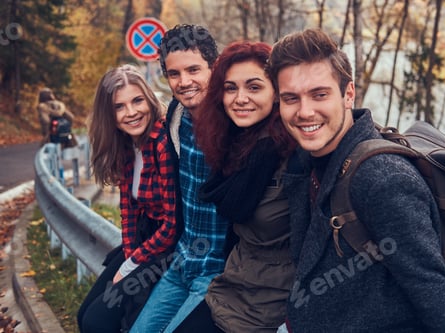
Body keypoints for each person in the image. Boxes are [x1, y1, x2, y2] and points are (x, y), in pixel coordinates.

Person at [266, 28, 445, 332]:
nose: (304, 112)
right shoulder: (308, 160)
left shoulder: (382, 180)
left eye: (319, 94)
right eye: (291, 98)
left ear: (348, 94)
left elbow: (436, 292)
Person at [173, 40, 297, 333]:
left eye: (254, 87)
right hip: (232, 289)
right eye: (231, 88)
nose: (240, 98)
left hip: (272, 306)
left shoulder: (293, 154)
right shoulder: (236, 144)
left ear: (277, 92)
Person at [130, 24, 230, 333]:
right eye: (174, 74)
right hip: (183, 261)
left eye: (194, 70)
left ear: (214, 68)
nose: (184, 82)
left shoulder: (236, 121)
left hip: (219, 273)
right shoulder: (176, 118)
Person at [77, 64, 179, 333]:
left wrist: (133, 263)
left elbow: (172, 224)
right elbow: (129, 211)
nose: (131, 113)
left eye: (137, 101)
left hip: (167, 249)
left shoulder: (162, 143)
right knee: (85, 314)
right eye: (119, 107)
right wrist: (129, 254)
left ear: (149, 99)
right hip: (142, 244)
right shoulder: (125, 145)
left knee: (97, 322)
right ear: (108, 115)